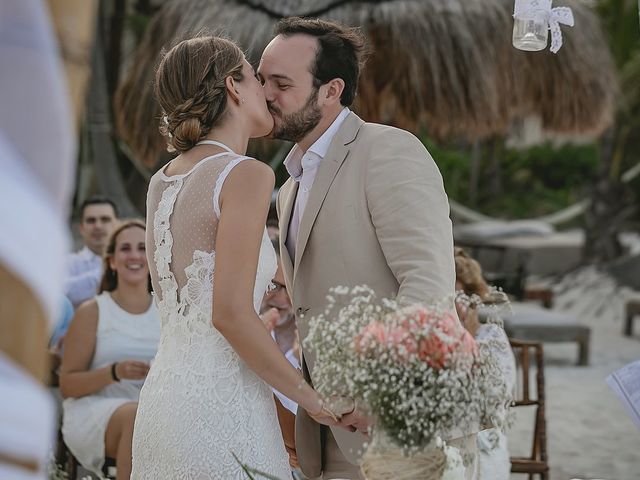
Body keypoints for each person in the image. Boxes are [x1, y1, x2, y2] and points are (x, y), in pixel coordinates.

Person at [258, 17, 470, 479]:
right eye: (261, 80)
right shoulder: (289, 185)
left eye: (281, 83)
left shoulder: (389, 151)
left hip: (402, 426)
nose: (265, 94)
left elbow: (429, 282)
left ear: (331, 90)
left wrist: (383, 392)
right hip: (330, 429)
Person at [131, 36, 349, 479]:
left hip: (162, 401)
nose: (267, 92)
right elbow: (229, 313)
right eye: (256, 77)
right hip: (223, 404)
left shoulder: (161, 183)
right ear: (233, 86)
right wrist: (313, 401)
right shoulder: (246, 174)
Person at [60, 220, 160, 479]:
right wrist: (115, 372)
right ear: (112, 261)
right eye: (125, 249)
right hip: (96, 409)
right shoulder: (92, 311)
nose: (135, 255)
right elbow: (68, 385)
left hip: (154, 406)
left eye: (142, 248)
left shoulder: (165, 312)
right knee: (136, 416)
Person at [454, 247, 516, 480]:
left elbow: (498, 397)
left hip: (481, 438)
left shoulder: (491, 337)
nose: (451, 305)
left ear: (473, 299)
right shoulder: (422, 340)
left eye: (458, 297)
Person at [65, 196, 118, 308]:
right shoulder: (67, 262)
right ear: (81, 228)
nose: (98, 226)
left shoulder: (135, 260)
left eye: (105, 219)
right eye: (91, 220)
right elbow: (62, 293)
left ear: (117, 225)